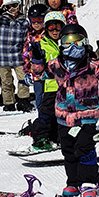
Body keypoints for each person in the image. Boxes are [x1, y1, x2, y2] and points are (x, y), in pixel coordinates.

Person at [35, 24, 99, 197]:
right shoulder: (57, 65)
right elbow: (37, 76)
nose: (72, 47)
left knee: (84, 148)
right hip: (64, 117)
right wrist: (36, 60)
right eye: (67, 42)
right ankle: (73, 181)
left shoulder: (92, 65)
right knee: (68, 150)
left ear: (85, 43)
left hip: (87, 117)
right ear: (61, 44)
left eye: (78, 42)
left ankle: (89, 182)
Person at [0, 0, 33, 113]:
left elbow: (29, 36)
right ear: (5, 7)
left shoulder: (24, 21)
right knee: (6, 81)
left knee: (23, 79)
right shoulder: (1, 19)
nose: (13, 9)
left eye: (15, 5)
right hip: (3, 56)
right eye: (9, 6)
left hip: (18, 56)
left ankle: (23, 100)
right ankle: (9, 103)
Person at [27, 11, 65, 149]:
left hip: (67, 87)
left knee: (64, 115)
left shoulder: (67, 42)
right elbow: (37, 69)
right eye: (51, 27)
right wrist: (37, 58)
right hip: (50, 87)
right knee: (46, 114)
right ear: (46, 28)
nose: (55, 31)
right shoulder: (42, 45)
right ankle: (39, 138)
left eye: (58, 27)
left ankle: (59, 137)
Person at [22, 3, 48, 110]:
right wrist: (27, 72)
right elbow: (26, 54)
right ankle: (41, 118)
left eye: (39, 20)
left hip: (49, 73)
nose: (36, 23)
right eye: (33, 20)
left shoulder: (49, 33)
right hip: (36, 73)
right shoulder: (29, 35)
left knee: (50, 97)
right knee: (39, 96)